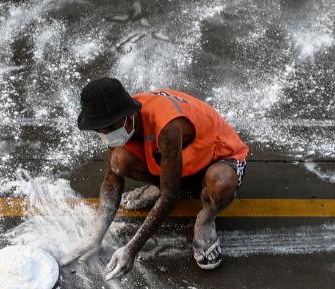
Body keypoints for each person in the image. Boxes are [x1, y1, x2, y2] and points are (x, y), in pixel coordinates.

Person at [63, 77, 249, 278]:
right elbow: (111, 177)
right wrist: (96, 236)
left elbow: (171, 197)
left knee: (222, 184)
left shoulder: (167, 127)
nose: (105, 134)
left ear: (127, 116)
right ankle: (161, 183)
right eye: (100, 130)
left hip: (214, 159)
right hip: (176, 161)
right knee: (119, 161)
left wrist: (131, 249)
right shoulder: (119, 118)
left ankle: (205, 221)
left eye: (108, 128)